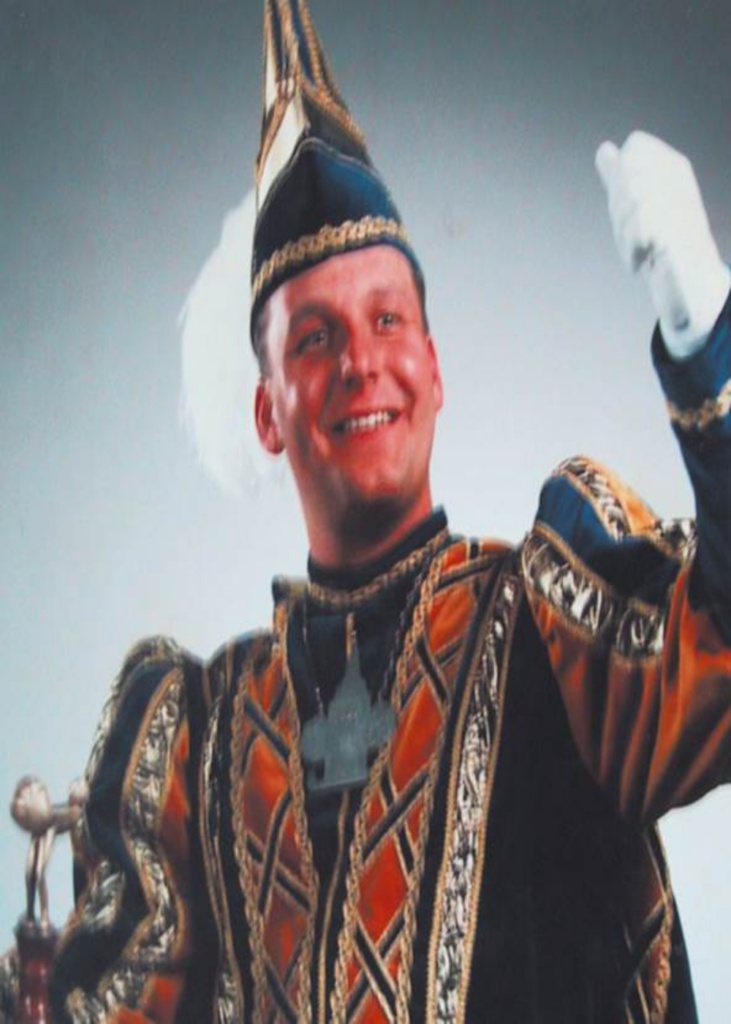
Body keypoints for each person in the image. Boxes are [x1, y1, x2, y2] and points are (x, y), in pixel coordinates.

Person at [3, 1, 729, 1021]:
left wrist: (707, 344)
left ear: (432, 367)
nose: (359, 361)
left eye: (388, 319)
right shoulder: (203, 730)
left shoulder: (553, 623)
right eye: (314, 337)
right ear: (268, 412)